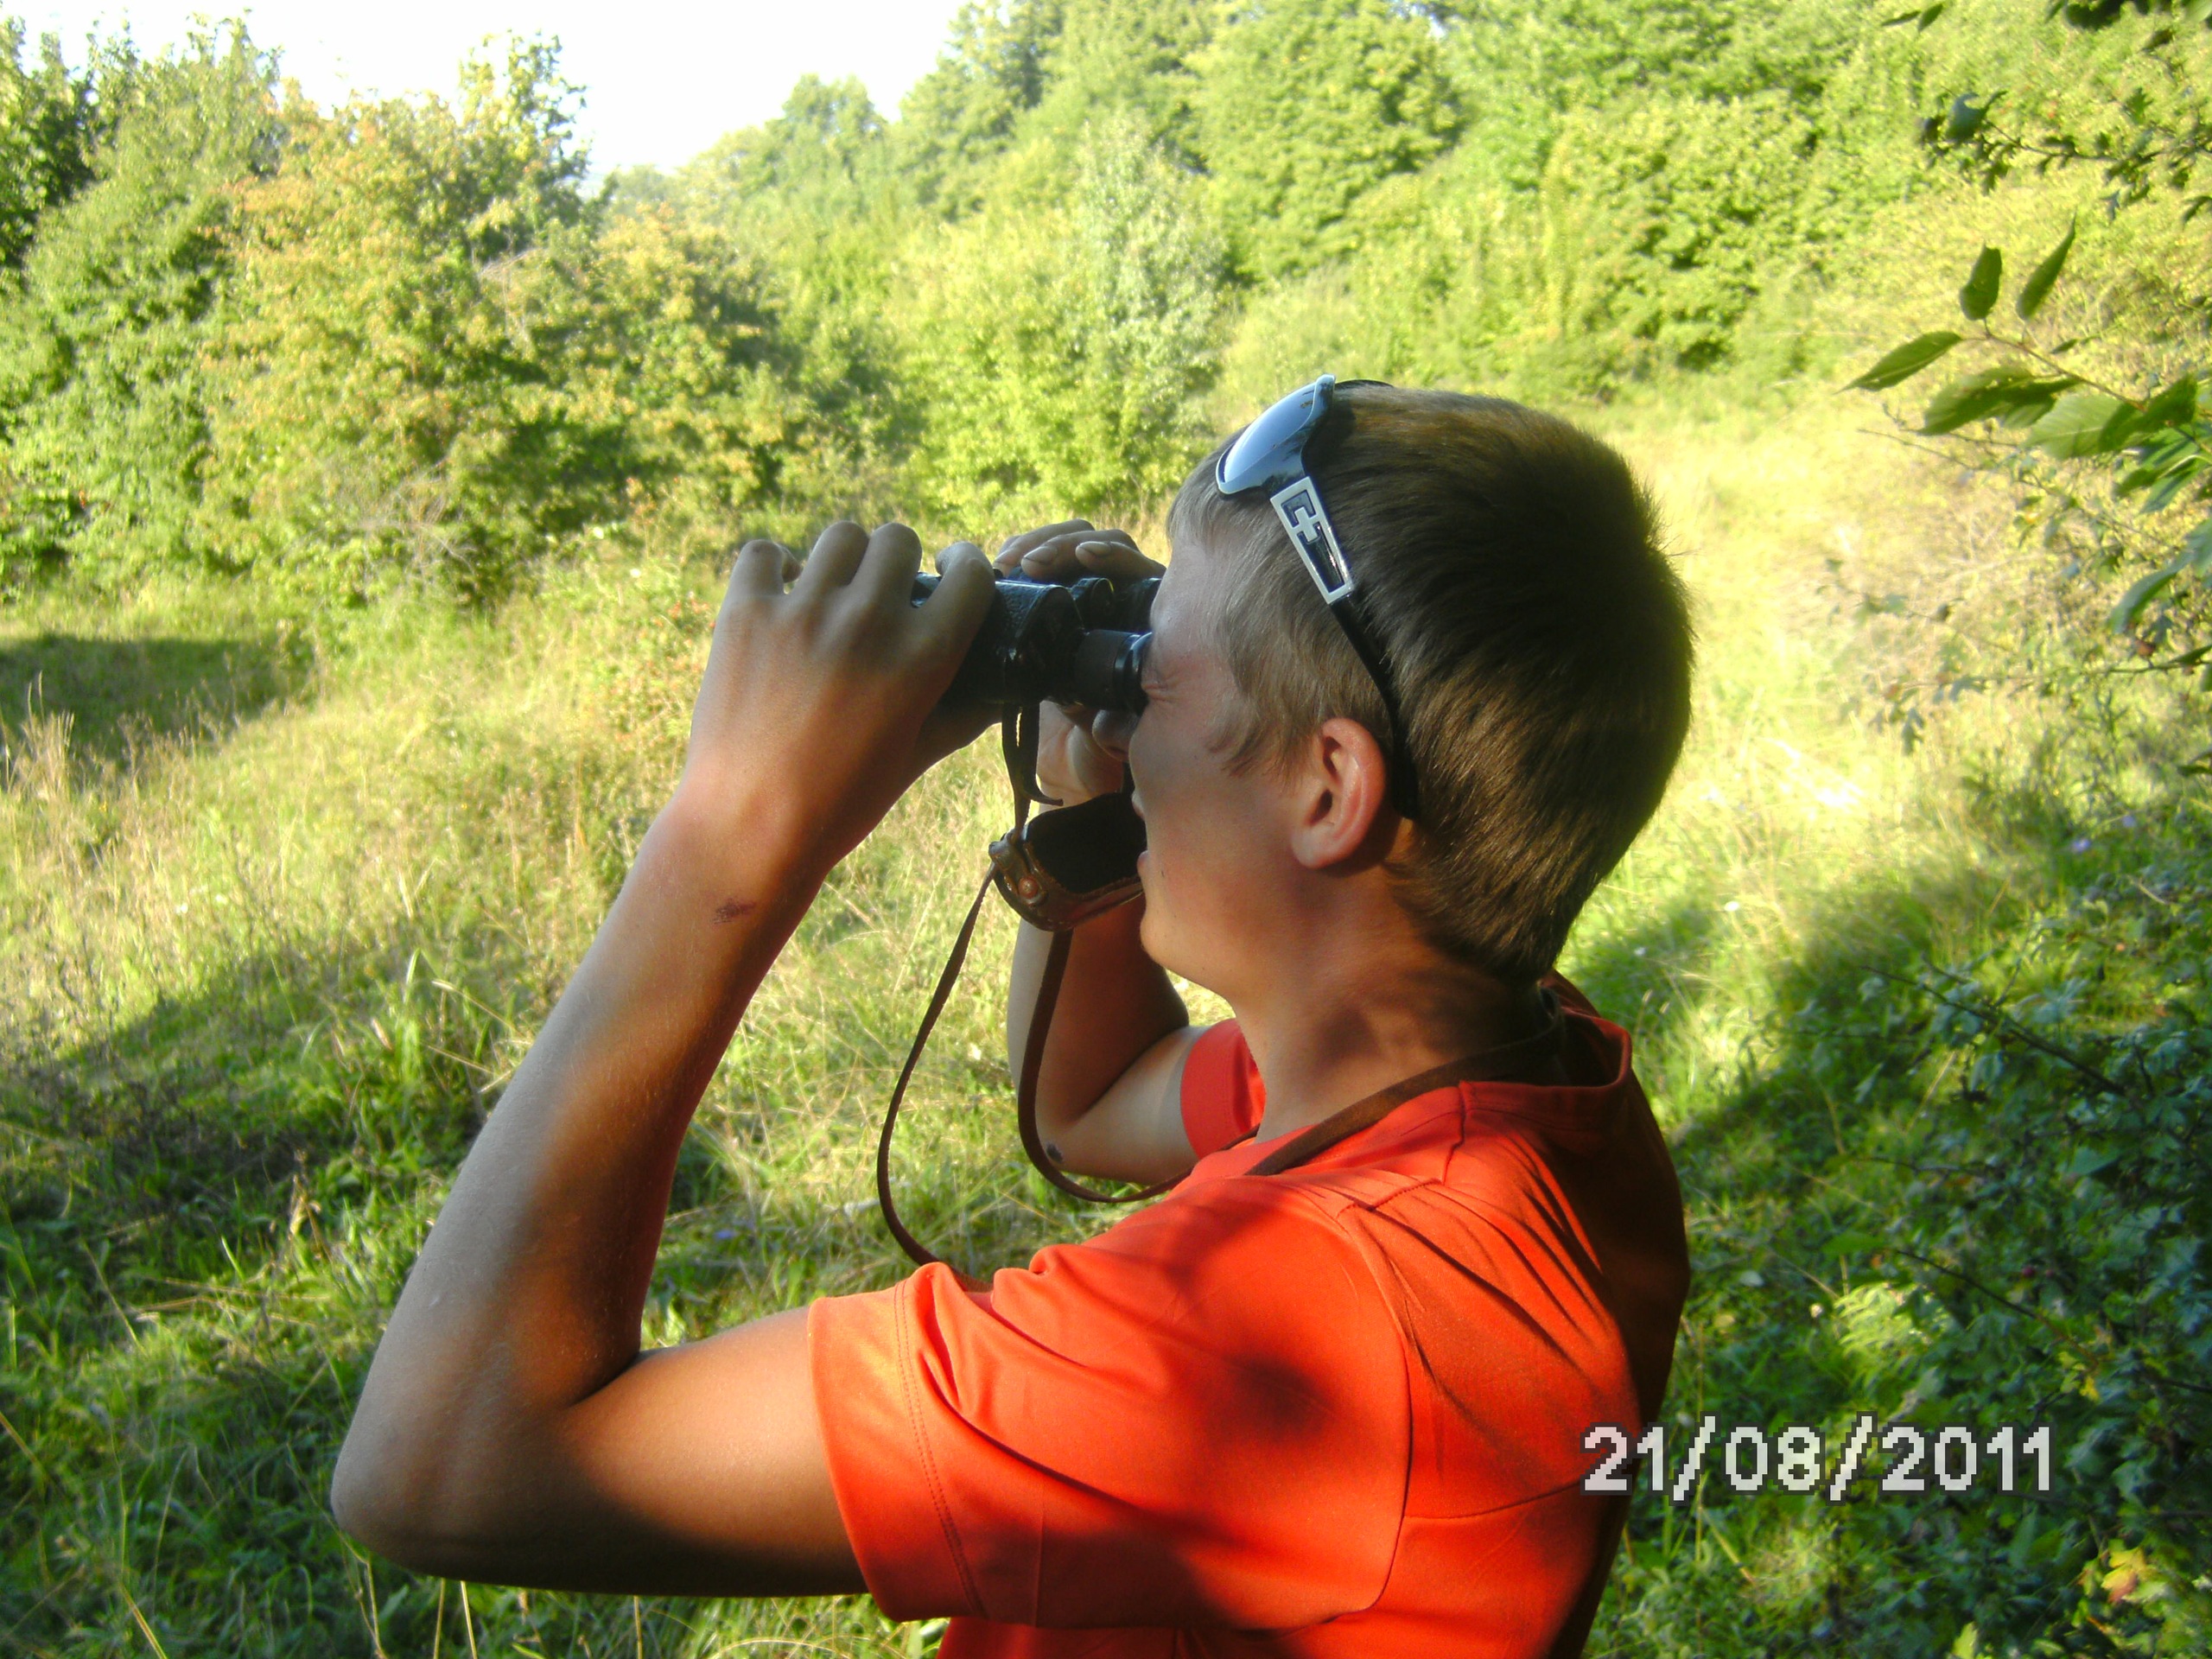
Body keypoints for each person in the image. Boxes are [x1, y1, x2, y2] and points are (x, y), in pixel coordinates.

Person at [334, 380, 1695, 1657]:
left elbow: (445, 1469)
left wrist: (733, 831)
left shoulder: (1288, 1345)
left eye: (1156, 670)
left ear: (1328, 789)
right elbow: (1092, 1107)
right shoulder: (1501, 1073)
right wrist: (1089, 797)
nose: (1123, 706)